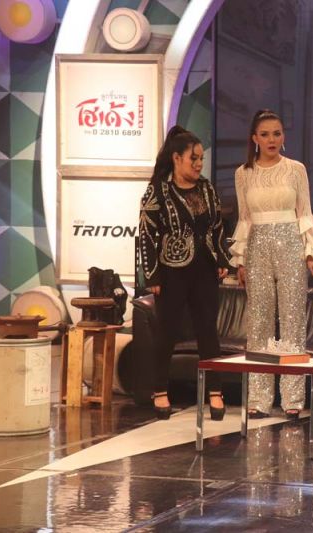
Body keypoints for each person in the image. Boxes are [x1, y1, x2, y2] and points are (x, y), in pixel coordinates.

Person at [231, 109, 313, 419]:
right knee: (258, 322)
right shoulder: (243, 173)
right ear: (254, 139)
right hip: (257, 248)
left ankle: (292, 399)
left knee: (292, 320)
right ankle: (259, 399)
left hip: (290, 246)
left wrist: (311, 256)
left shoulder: (296, 169)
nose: (272, 139)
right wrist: (240, 261)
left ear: (283, 136)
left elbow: (304, 213)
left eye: (277, 133)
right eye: (265, 134)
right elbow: (244, 218)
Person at [138, 125, 232, 420]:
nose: (199, 164)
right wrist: (152, 276)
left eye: (201, 158)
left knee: (208, 330)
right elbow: (146, 236)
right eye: (194, 158)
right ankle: (159, 390)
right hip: (171, 272)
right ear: (177, 158)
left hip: (204, 270)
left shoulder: (206, 188)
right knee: (166, 331)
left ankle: (215, 391)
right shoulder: (158, 191)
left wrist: (222, 258)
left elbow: (218, 227)